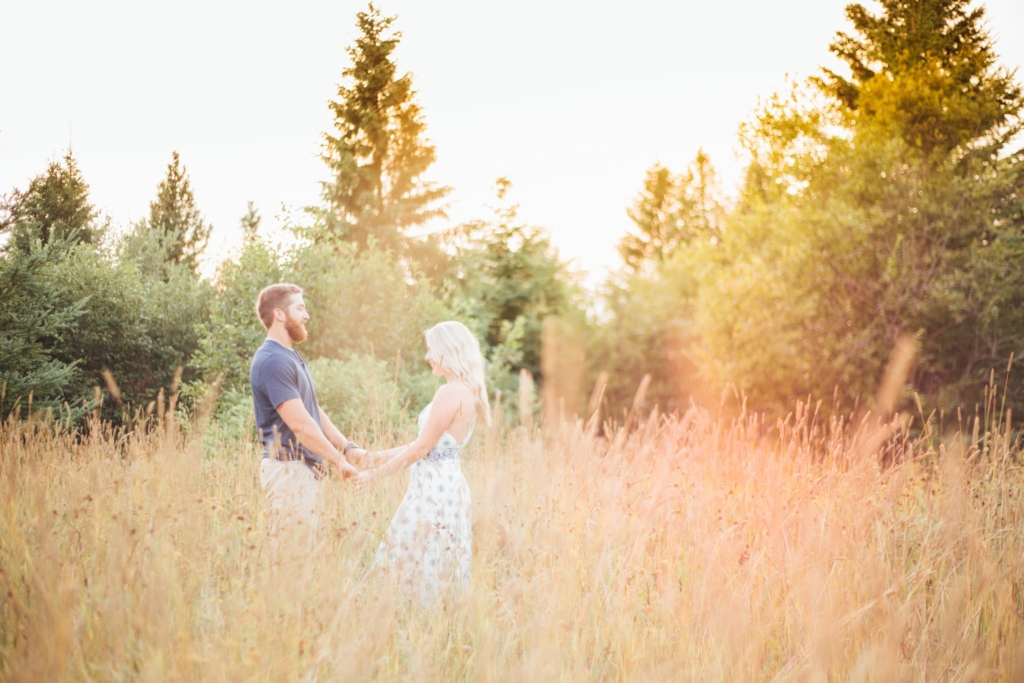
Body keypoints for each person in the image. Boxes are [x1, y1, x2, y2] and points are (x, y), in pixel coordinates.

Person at [355, 321, 490, 601]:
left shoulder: (450, 391)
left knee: (411, 551)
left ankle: (408, 614)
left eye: (431, 349)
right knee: (435, 554)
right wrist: (374, 458)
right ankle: (433, 619)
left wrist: (374, 475)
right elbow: (430, 445)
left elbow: (422, 447)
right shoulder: (467, 390)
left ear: (447, 350)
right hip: (447, 485)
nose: (428, 356)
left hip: (433, 489)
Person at [249, 283, 364, 545]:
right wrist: (338, 462)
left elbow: (312, 411)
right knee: (292, 561)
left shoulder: (290, 357)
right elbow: (301, 425)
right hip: (288, 471)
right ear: (279, 314)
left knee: (306, 560)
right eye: (300, 308)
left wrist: (347, 447)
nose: (306, 315)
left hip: (304, 470)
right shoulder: (272, 360)